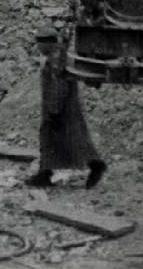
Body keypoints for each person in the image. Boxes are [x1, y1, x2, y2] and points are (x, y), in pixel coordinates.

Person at [28, 28, 106, 189]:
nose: (38, 47)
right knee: (67, 140)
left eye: (39, 43)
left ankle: (95, 165)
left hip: (61, 109)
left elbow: (58, 86)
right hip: (65, 108)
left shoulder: (55, 60)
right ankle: (45, 173)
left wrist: (54, 111)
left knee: (70, 140)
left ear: (47, 43)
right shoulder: (59, 56)